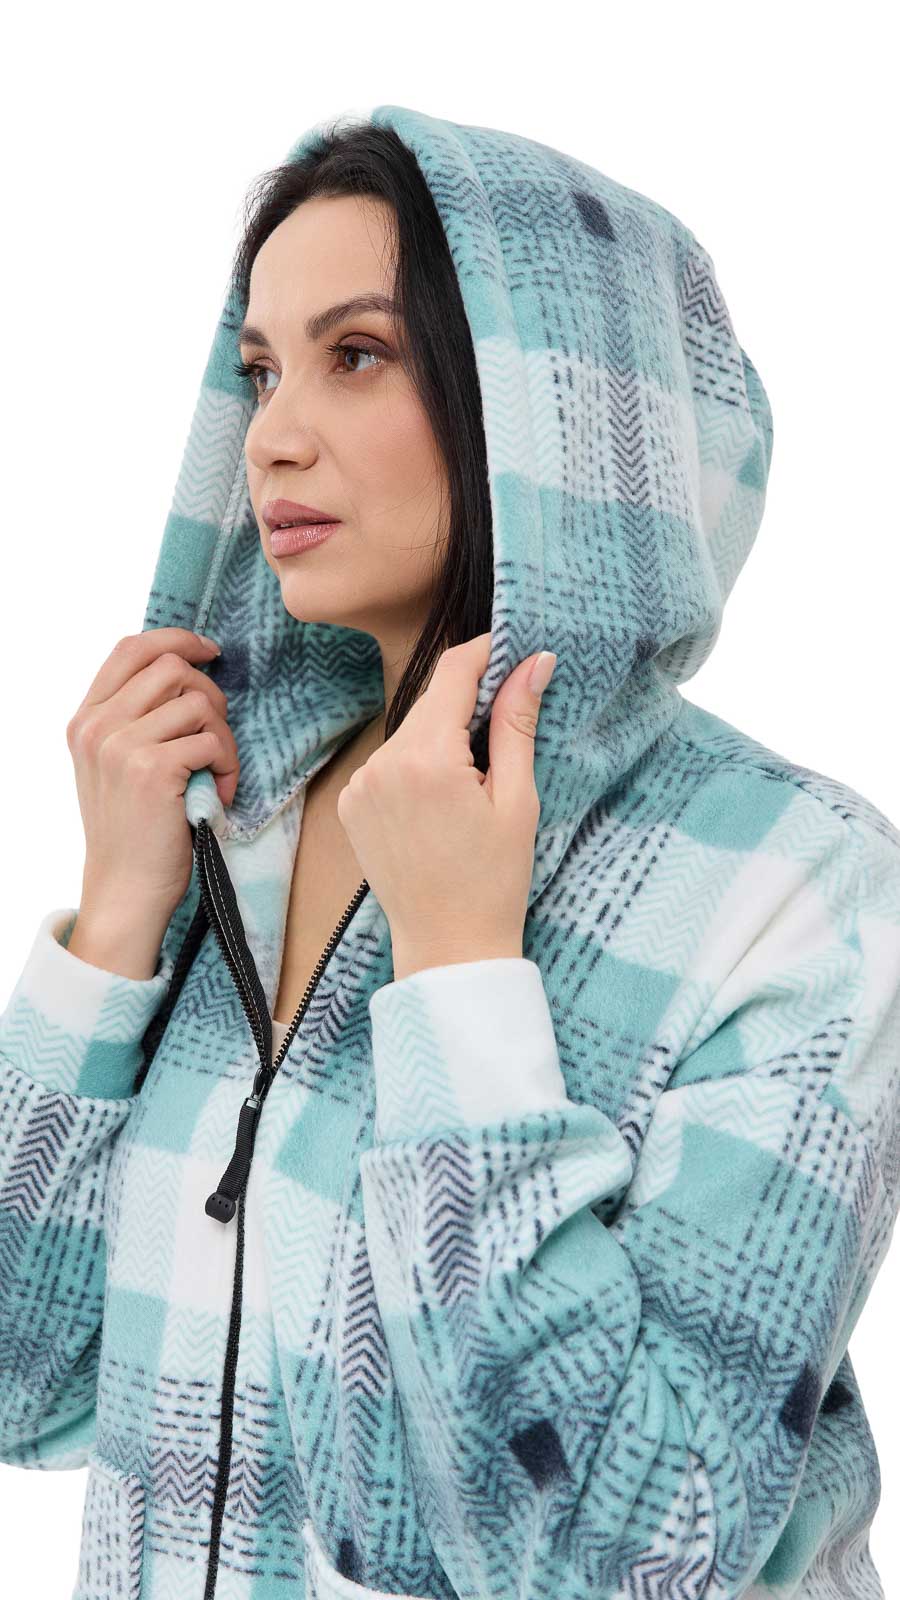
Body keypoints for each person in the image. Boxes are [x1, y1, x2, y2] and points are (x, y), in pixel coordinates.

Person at [0, 103, 898, 1600]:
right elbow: (22, 1387)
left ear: (549, 409)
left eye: (358, 355)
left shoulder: (796, 885)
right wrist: (114, 922)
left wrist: (462, 974)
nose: (272, 434)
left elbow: (637, 1554)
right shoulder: (235, 817)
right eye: (261, 370)